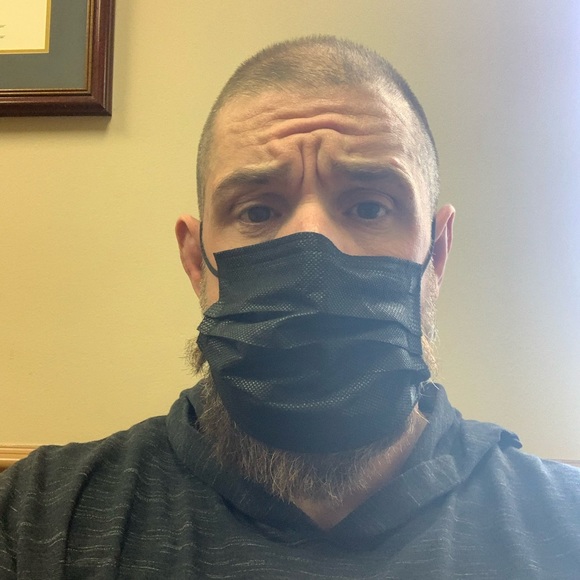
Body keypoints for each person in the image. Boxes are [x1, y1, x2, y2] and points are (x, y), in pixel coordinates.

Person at [1, 36, 579, 579]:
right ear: (196, 260)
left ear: (438, 254)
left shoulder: (564, 525)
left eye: (370, 207)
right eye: (257, 211)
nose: (312, 249)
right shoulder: (37, 519)